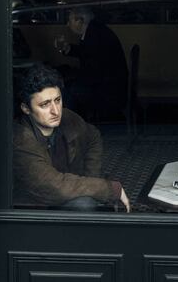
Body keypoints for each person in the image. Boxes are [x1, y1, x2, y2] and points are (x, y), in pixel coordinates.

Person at [13, 64, 130, 212]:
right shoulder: (20, 139)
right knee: (84, 205)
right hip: (33, 207)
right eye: (45, 105)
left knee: (89, 201)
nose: (55, 111)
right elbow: (53, 186)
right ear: (26, 109)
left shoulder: (67, 118)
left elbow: (93, 136)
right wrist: (109, 189)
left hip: (65, 191)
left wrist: (91, 179)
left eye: (57, 100)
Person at [55, 7, 128, 118]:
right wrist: (68, 48)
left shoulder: (94, 34)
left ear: (80, 21)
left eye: (70, 21)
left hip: (109, 90)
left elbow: (92, 67)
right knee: (69, 85)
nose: (67, 24)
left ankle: (73, 126)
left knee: (68, 91)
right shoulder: (95, 30)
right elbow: (87, 53)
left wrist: (71, 76)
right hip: (112, 85)